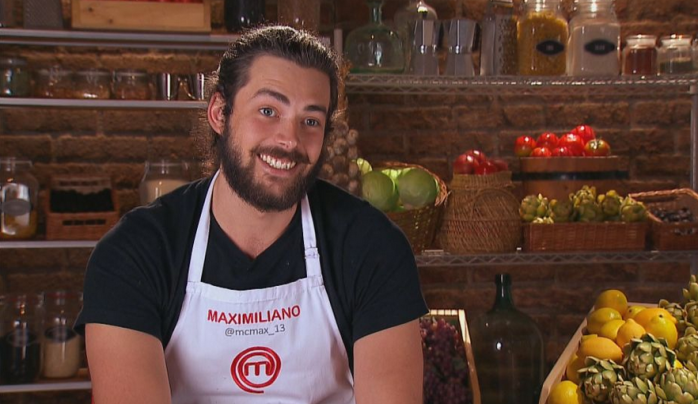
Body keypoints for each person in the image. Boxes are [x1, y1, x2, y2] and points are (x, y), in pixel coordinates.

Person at [75, 25, 428, 404]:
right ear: (219, 113)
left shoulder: (372, 247)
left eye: (311, 121)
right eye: (268, 111)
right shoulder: (136, 253)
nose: (290, 140)